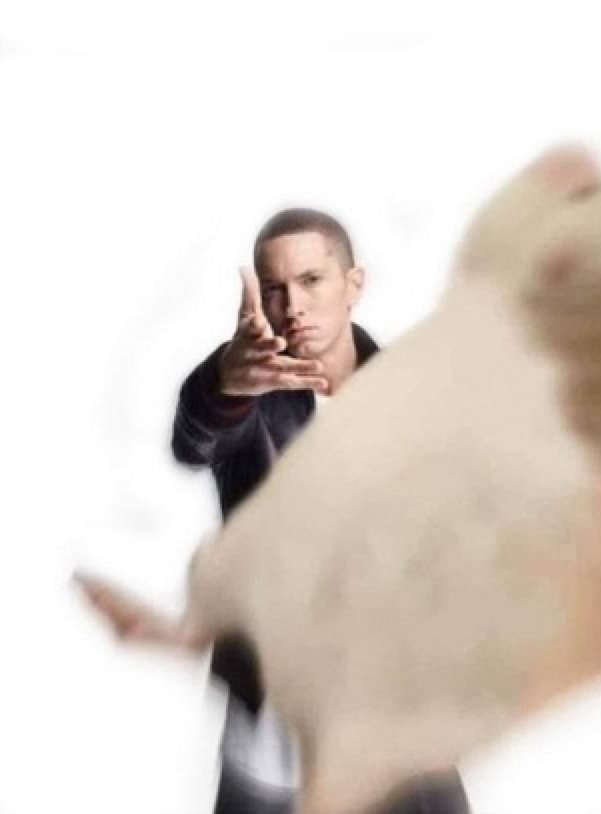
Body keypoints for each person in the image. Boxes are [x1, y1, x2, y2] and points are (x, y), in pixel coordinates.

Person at [167, 208, 469, 814]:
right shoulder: (246, 395)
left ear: (353, 284)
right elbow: (194, 440)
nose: (293, 306)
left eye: (311, 280)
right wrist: (225, 385)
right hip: (274, 713)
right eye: (274, 288)